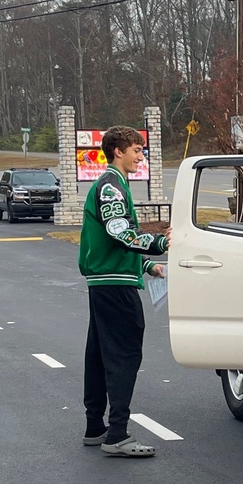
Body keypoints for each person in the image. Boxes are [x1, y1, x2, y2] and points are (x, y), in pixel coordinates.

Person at [78, 126, 171, 458]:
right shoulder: (111, 186)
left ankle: (94, 426)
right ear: (118, 150)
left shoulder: (111, 185)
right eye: (136, 149)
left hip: (107, 282)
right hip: (115, 287)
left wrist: (148, 267)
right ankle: (117, 433)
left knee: (100, 356)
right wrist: (159, 243)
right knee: (123, 355)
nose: (140, 155)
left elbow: (109, 243)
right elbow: (119, 231)